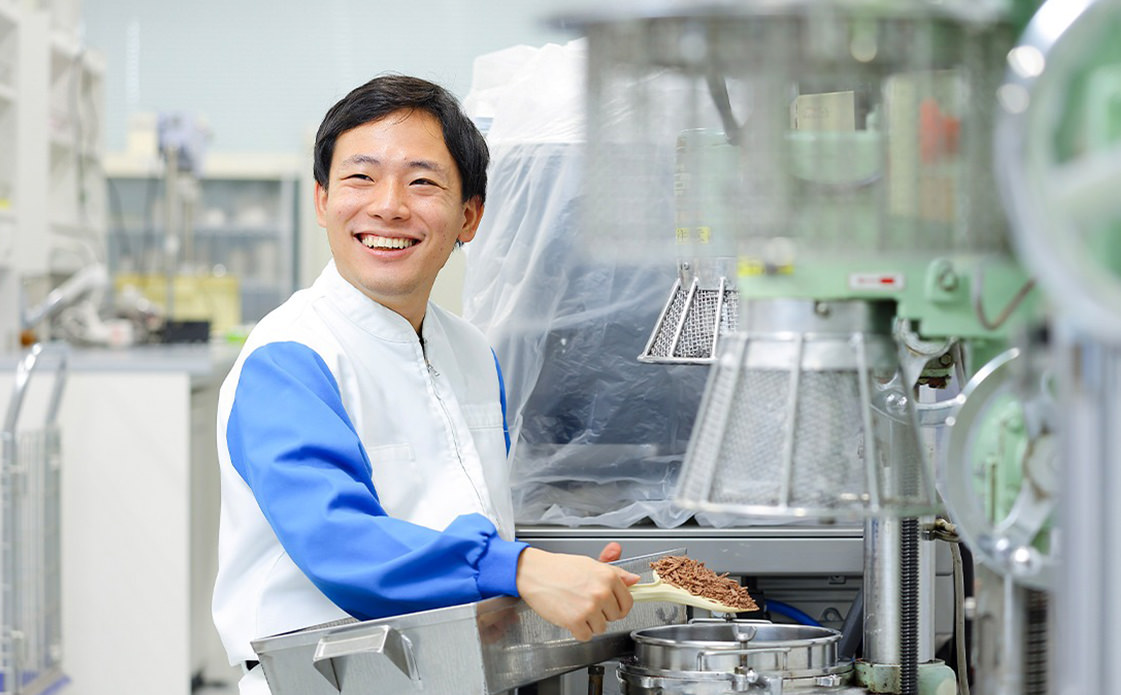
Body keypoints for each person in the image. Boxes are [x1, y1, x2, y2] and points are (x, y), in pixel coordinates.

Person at [211, 74, 640, 695]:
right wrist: (519, 569)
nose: (388, 205)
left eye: (422, 182)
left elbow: (466, 515)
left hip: (455, 674)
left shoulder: (470, 352)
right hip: (330, 681)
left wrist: (556, 580)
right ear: (322, 201)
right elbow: (339, 541)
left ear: (469, 216)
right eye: (361, 177)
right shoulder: (290, 356)